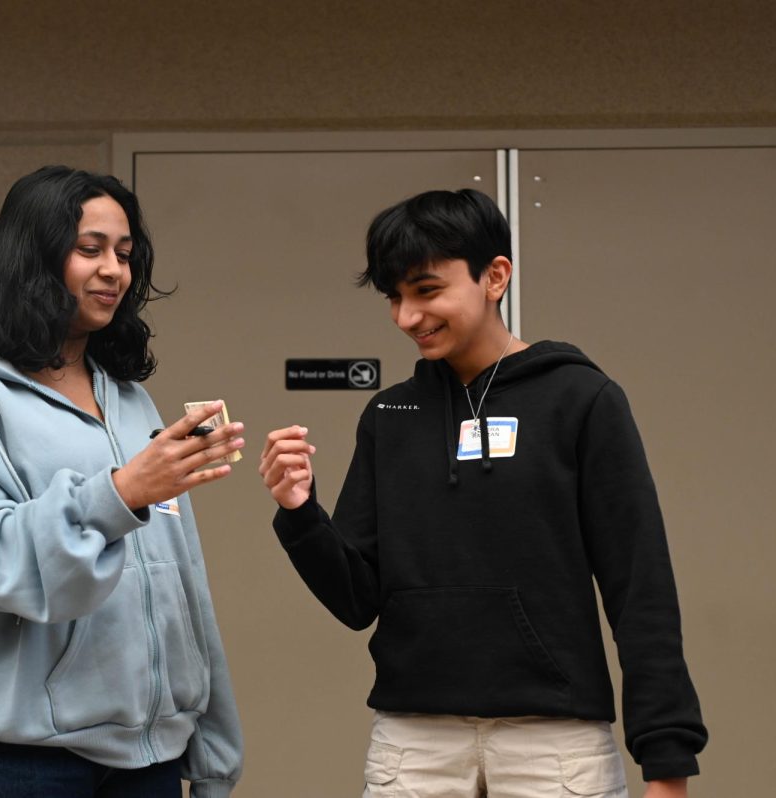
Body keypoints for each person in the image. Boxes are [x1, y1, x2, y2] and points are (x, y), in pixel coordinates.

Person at [259, 189, 706, 798]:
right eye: (394, 297)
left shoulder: (581, 400)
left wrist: (668, 761)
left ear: (495, 276)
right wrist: (299, 512)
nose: (406, 317)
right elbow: (356, 599)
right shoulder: (389, 414)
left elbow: (641, 586)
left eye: (426, 290)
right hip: (413, 745)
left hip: (555, 746)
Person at [0, 166, 244, 798]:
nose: (115, 270)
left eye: (126, 254)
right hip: (13, 758)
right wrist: (121, 494)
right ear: (34, 257)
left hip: (150, 757)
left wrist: (213, 754)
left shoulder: (130, 400)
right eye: (90, 250)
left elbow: (182, 580)